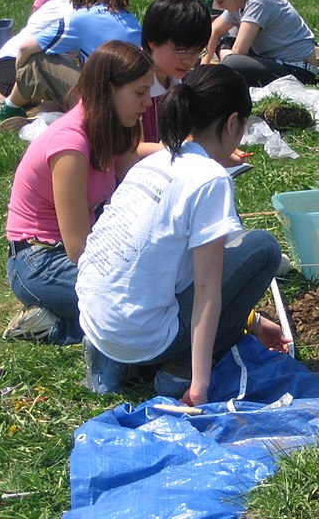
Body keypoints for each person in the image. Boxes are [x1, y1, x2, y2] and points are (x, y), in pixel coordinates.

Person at [76, 64, 291, 404]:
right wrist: (198, 386)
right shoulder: (210, 178)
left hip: (95, 320)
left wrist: (250, 322)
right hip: (141, 335)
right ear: (232, 123)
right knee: (263, 248)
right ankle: (176, 368)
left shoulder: (152, 162)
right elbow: (207, 292)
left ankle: (113, 364)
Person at [1, 41, 154, 345]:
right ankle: (51, 326)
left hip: (70, 253)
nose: (147, 103)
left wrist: (196, 153)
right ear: (109, 90)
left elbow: (136, 173)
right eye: (139, 93)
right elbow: (78, 248)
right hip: (39, 260)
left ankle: (68, 317)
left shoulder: (108, 127)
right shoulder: (70, 146)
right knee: (140, 302)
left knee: (153, 289)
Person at [0, 0, 141, 126]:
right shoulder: (130, 18)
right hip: (131, 100)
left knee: (38, 59)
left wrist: (21, 76)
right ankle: (46, 115)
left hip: (102, 103)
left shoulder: (79, 18)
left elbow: (26, 47)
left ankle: (10, 106)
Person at [203, 0, 318, 87]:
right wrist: (202, 68)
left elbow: (239, 51)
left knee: (232, 63)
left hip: (298, 70)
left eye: (220, 1)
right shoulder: (238, 2)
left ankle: (226, 74)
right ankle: (227, 71)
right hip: (272, 61)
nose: (218, 6)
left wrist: (225, 62)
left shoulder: (258, 1)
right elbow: (215, 30)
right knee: (226, 44)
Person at [137, 0, 211, 155]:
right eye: (181, 51)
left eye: (197, 51)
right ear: (153, 41)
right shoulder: (132, 82)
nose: (188, 60)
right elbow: (132, 152)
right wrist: (197, 149)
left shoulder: (180, 79)